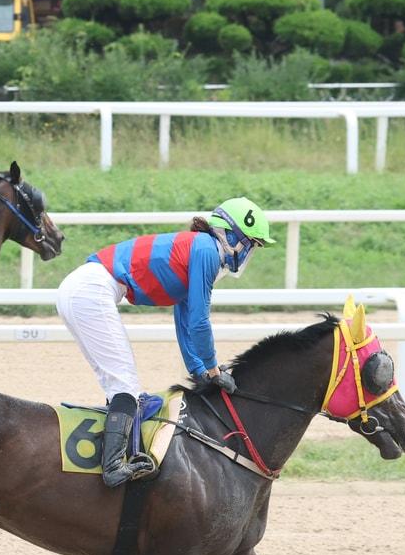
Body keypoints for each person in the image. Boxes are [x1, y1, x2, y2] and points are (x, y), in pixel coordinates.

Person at [55, 197, 276, 487]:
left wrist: (199, 370)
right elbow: (199, 321)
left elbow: (184, 323)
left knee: (120, 385)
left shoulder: (199, 249)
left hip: (83, 288)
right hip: (91, 290)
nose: (250, 253)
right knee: (126, 388)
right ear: (233, 236)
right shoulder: (207, 251)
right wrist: (212, 369)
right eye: (252, 244)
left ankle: (112, 456)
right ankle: (112, 468)